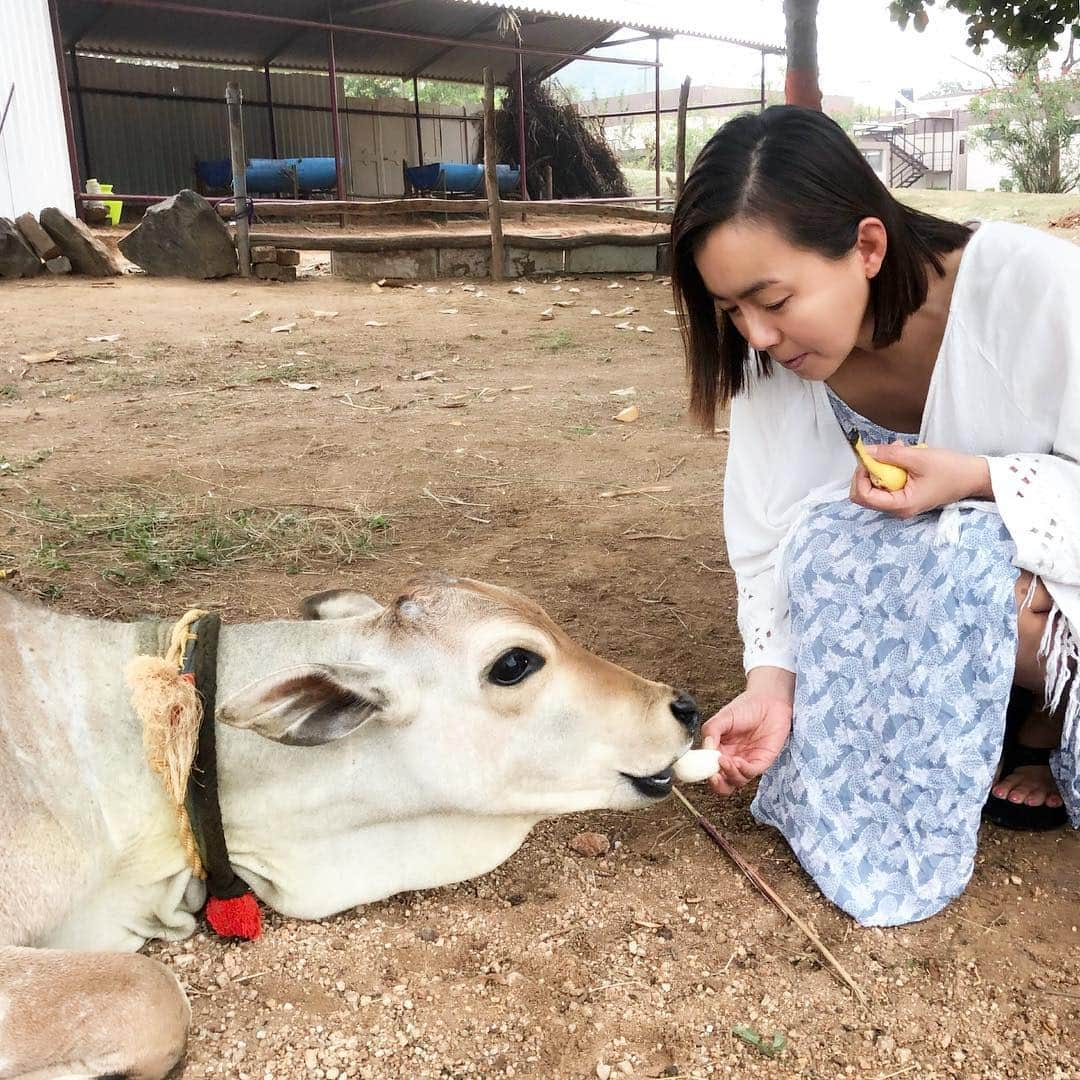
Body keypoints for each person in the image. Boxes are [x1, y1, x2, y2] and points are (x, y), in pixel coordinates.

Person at [670, 105, 1079, 926]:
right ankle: (982, 719)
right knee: (839, 547)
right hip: (947, 617)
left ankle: (1040, 718)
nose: (757, 334)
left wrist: (977, 478)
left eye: (773, 299)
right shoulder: (773, 357)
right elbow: (769, 533)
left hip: (1038, 592)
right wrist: (771, 683)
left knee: (972, 563)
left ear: (866, 246)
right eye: (731, 311)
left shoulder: (1035, 287)